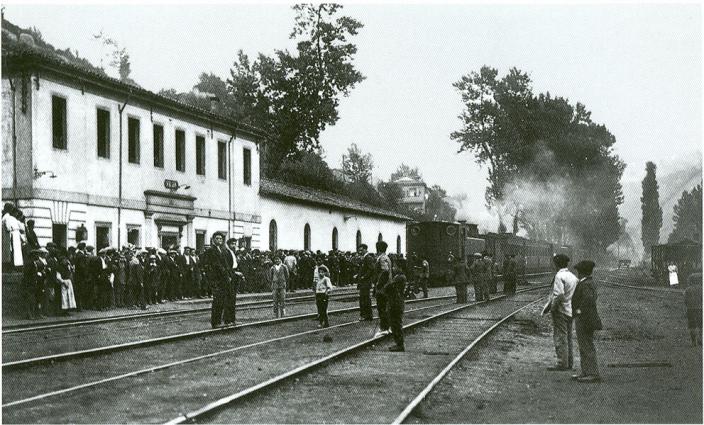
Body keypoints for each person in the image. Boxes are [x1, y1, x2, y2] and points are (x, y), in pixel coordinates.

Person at [544, 254, 578, 371]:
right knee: (568, 337)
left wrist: (553, 308)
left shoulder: (559, 276)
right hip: (570, 311)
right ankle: (569, 362)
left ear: (557, 264)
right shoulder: (573, 277)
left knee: (560, 337)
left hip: (561, 311)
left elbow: (559, 295)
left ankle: (562, 363)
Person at [571, 260, 602, 382]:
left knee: (587, 346)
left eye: (579, 272)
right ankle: (586, 371)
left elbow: (588, 299)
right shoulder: (589, 283)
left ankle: (593, 373)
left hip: (585, 319)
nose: (578, 274)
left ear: (582, 273)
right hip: (587, 318)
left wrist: (579, 311)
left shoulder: (585, 284)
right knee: (584, 345)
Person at [204, 232, 235, 328]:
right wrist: (226, 274)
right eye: (217, 238)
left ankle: (223, 320)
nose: (219, 240)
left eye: (221, 239)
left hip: (224, 279)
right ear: (213, 240)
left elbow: (226, 264)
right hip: (217, 279)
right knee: (217, 301)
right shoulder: (211, 251)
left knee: (223, 300)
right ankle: (215, 322)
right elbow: (216, 265)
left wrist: (229, 274)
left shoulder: (223, 250)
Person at [373, 240, 392, 338]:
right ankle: (387, 327)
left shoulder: (382, 258)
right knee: (385, 307)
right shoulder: (387, 257)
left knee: (382, 307)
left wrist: (379, 284)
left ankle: (384, 328)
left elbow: (385, 271)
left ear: (378, 248)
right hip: (386, 286)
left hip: (383, 287)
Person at [386, 273, 407, 352]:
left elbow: (388, 287)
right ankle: (399, 344)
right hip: (396, 301)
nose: (394, 268)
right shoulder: (400, 277)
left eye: (396, 266)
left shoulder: (399, 277)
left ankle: (400, 345)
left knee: (396, 323)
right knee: (395, 323)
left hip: (396, 302)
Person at [356, 244, 375, 321]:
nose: (360, 252)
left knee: (364, 299)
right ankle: (367, 315)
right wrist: (358, 275)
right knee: (364, 298)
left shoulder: (368, 258)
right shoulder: (364, 258)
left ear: (365, 249)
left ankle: (366, 315)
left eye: (361, 250)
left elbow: (371, 269)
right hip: (363, 282)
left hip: (365, 282)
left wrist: (364, 276)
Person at [684, 272, 702, 347]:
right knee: (701, 325)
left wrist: (688, 306)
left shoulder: (687, 290)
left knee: (692, 325)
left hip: (690, 309)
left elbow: (685, 300)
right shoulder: (701, 289)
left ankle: (693, 341)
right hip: (700, 308)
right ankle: (700, 339)